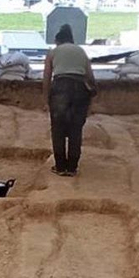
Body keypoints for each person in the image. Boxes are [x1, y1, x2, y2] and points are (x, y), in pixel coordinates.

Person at [42, 24, 96, 177]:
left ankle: (60, 166)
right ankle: (72, 167)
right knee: (75, 128)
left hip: (60, 87)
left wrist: (45, 99)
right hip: (80, 88)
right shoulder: (81, 51)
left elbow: (46, 77)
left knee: (58, 128)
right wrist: (90, 102)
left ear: (57, 41)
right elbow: (90, 78)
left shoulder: (53, 52)